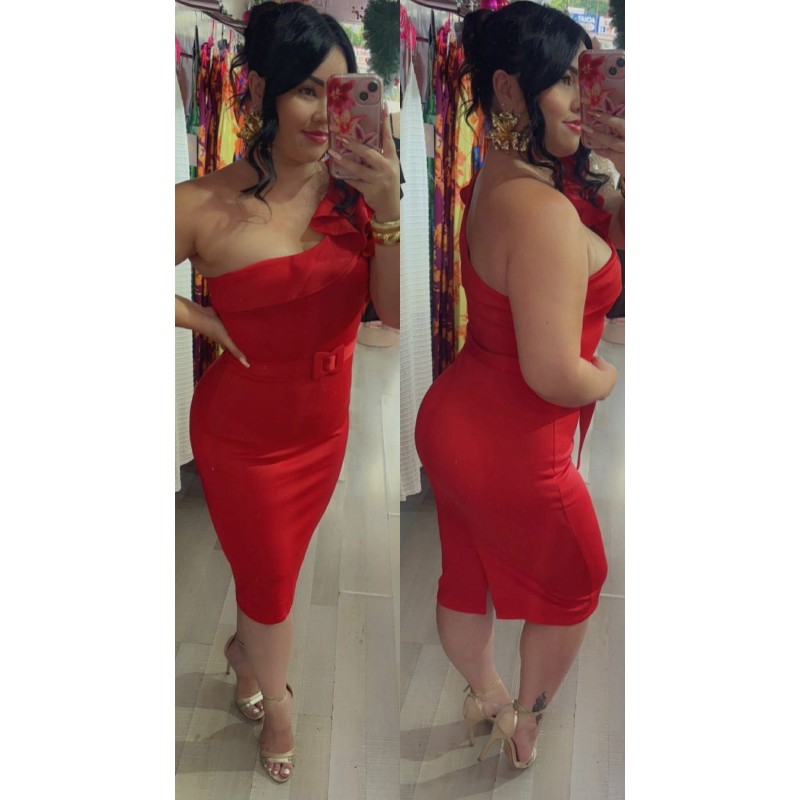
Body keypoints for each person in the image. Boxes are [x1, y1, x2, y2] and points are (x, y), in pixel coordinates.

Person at [175, 1, 400, 783]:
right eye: (306, 89)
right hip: (241, 435)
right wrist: (199, 315)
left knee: (274, 570)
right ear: (260, 88)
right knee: (271, 581)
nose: (325, 111)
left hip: (324, 431)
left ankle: (246, 654)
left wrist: (389, 208)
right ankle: (279, 701)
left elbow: (392, 312)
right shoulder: (201, 201)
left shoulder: (359, 191)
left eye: (339, 91)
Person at [414, 1, 624, 770]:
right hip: (514, 440)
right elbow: (557, 373)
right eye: (564, 80)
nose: (580, 98)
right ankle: (524, 723)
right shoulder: (542, 211)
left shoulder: (496, 177)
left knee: (466, 576)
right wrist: (608, 376)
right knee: (578, 582)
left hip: (459, 416)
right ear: (509, 89)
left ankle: (488, 695)